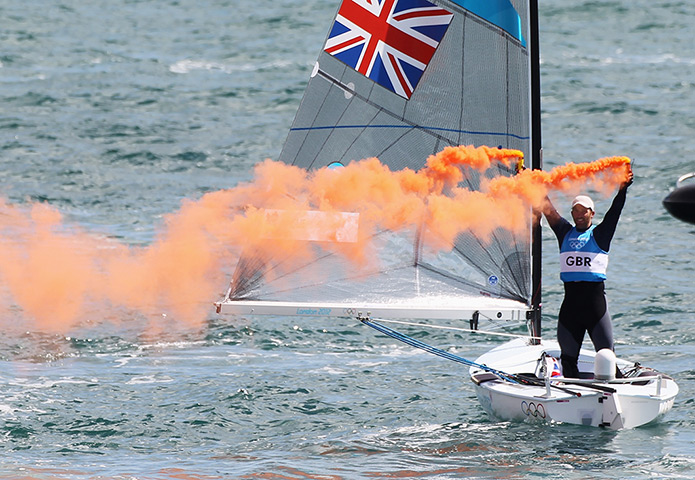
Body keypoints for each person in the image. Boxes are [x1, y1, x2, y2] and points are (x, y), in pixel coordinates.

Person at [541, 167, 634, 378]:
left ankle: (618, 395)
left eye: (584, 210)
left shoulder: (601, 234)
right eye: (576, 210)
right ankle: (571, 400)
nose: (579, 214)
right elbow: (548, 209)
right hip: (570, 309)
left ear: (592, 213)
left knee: (607, 358)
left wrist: (622, 188)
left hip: (595, 310)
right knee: (568, 361)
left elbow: (615, 212)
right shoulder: (564, 232)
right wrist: (531, 185)